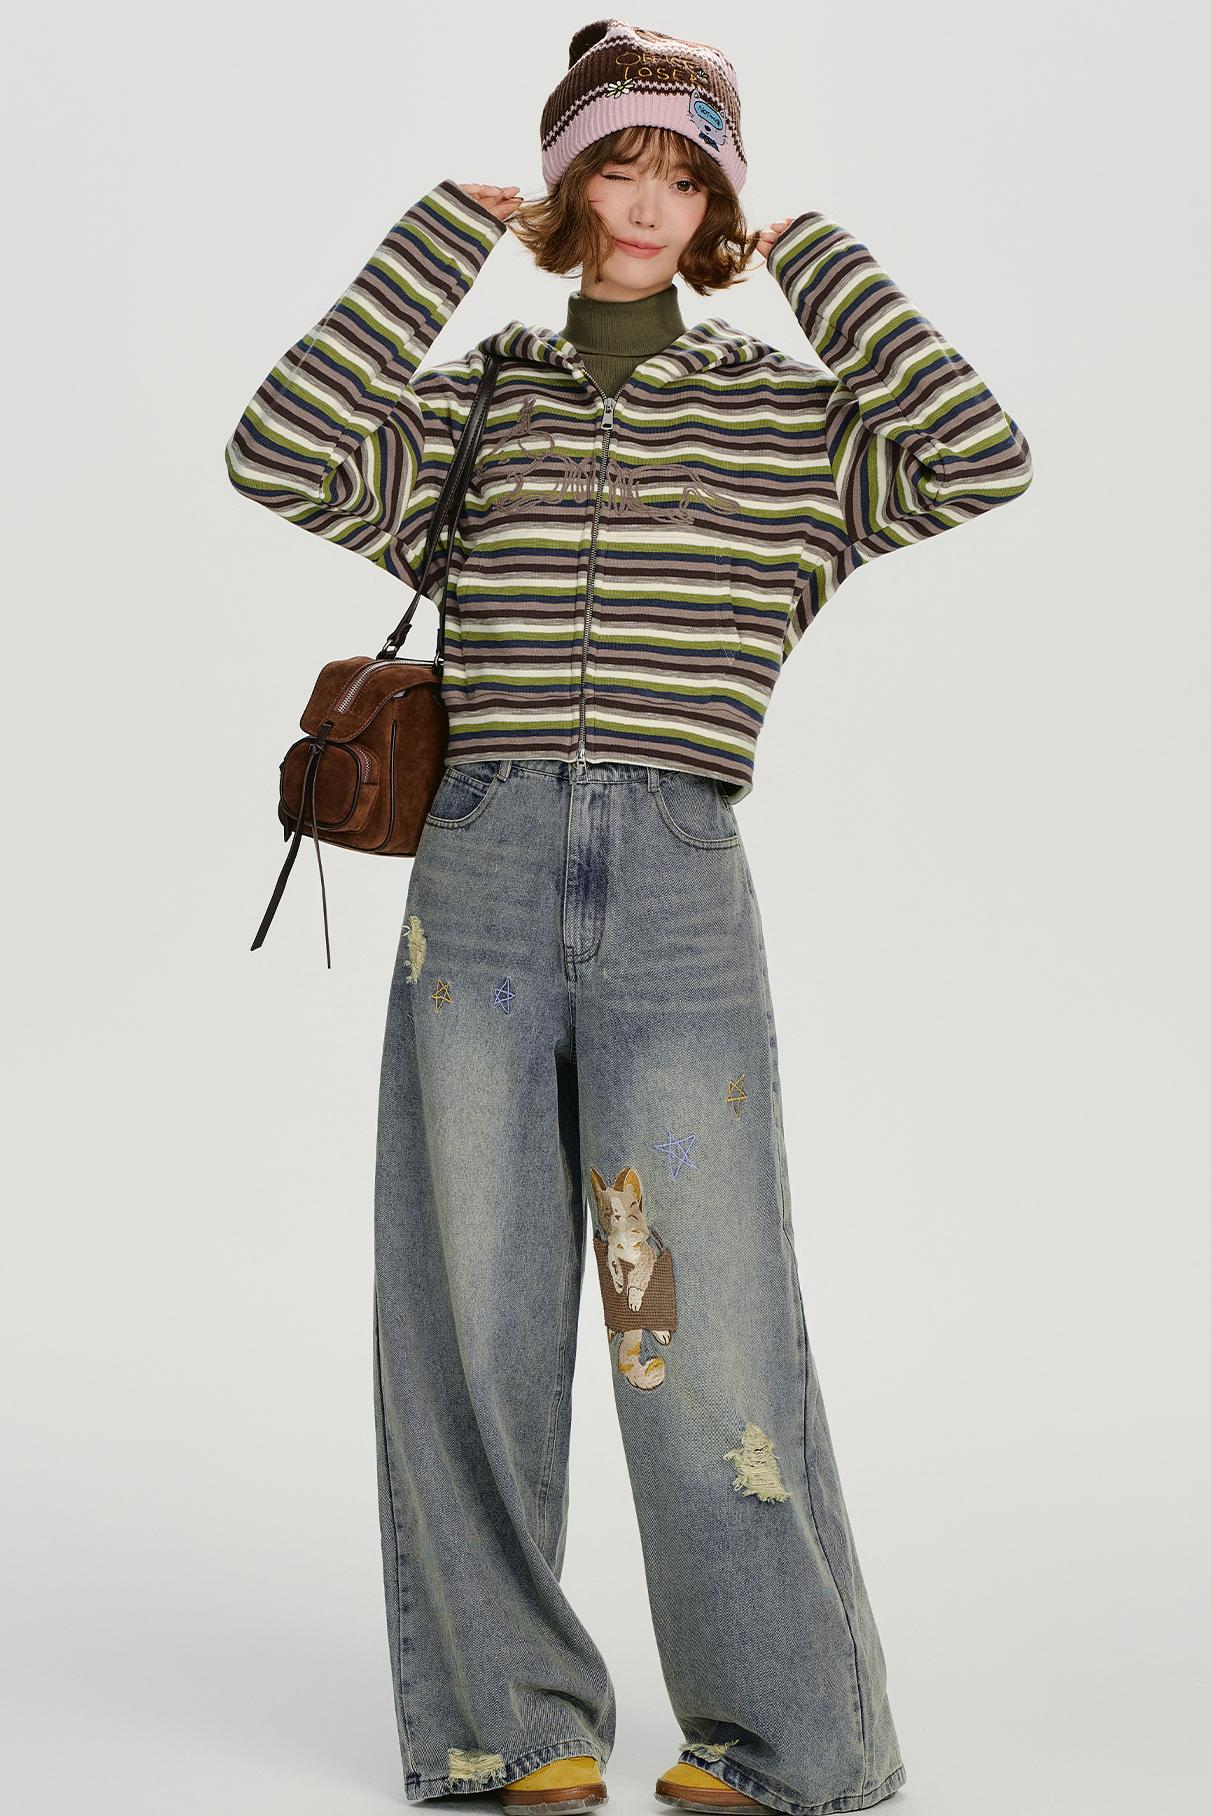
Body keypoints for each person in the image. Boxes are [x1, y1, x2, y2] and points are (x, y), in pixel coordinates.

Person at [224, 19, 1032, 1816]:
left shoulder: (787, 424)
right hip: (482, 871)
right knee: (471, 1310)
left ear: (721, 198)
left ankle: (792, 1737)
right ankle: (510, 1729)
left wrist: (822, 263)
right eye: (619, 163)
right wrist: (430, 245)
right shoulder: (483, 401)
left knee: (705, 1317)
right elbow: (275, 449)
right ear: (569, 180)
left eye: (686, 171)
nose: (652, 200)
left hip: (675, 875)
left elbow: (980, 453)